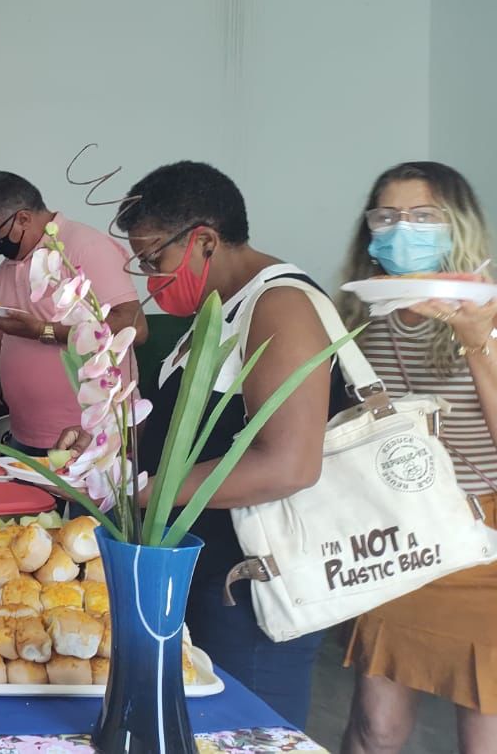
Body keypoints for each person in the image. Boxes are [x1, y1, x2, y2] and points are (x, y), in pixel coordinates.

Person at [111, 160, 349, 725]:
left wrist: (146, 494)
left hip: (251, 590)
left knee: (244, 730)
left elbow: (289, 465)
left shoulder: (279, 305)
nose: (149, 279)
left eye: (153, 260)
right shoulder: (220, 310)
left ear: (205, 240)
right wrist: (113, 445)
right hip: (206, 572)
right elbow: (192, 429)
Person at [338, 162, 497, 754]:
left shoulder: (489, 312)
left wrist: (478, 339)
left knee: (485, 737)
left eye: (423, 216)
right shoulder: (353, 318)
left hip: (486, 542)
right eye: (388, 215)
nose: (402, 229)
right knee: (377, 726)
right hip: (395, 538)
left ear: (457, 226)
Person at [0, 172, 147, 451]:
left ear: (24, 218)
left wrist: (42, 331)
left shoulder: (86, 247)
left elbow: (133, 328)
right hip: (24, 436)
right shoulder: (6, 270)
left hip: (89, 439)